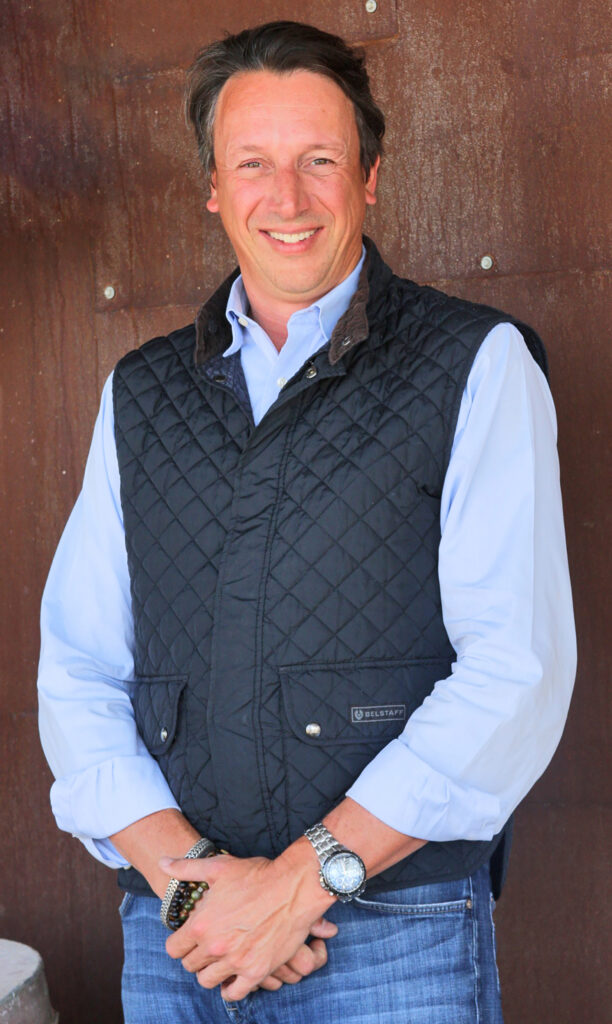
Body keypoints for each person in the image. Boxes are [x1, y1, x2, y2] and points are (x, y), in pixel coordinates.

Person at [38, 20, 576, 1024]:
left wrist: (303, 879)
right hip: (179, 935)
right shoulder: (141, 391)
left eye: (318, 161)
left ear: (368, 176)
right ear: (212, 185)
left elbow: (516, 667)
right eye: (253, 164)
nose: (286, 199)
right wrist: (197, 879)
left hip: (393, 936)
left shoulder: (479, 364)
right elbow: (77, 670)